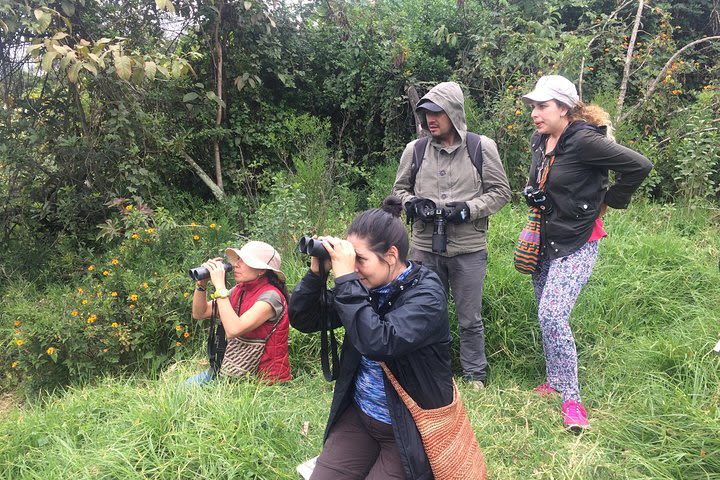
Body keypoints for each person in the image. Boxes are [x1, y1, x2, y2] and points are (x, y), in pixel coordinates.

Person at [520, 75, 652, 432]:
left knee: (551, 315)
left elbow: (639, 166)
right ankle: (553, 380)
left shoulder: (585, 141)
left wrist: (607, 202)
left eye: (542, 105)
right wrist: (533, 191)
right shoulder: (542, 139)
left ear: (564, 108)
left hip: (577, 240)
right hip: (545, 238)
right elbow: (548, 179)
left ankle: (572, 400)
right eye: (533, 105)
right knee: (545, 312)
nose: (535, 112)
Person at [289, 196, 453, 479]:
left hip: (409, 425)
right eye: (351, 260)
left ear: (390, 256)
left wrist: (346, 281)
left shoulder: (427, 294)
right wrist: (317, 273)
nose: (353, 269)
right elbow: (305, 319)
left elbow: (380, 342)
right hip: (361, 415)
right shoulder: (364, 286)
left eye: (360, 260)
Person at [393, 81, 511, 388]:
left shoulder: (480, 147)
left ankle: (475, 375)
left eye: (437, 112)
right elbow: (399, 190)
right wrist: (413, 205)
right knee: (423, 313)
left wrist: (468, 209)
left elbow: (501, 192)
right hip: (423, 247)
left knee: (469, 317)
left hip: (469, 248)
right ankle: (431, 372)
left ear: (454, 113)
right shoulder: (415, 150)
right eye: (425, 113)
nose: (430, 119)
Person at [186, 240, 291, 385]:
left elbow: (233, 330)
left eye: (244, 261)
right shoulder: (240, 290)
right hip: (235, 370)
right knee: (180, 390)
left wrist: (219, 286)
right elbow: (200, 313)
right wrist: (201, 284)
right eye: (238, 259)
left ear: (261, 270)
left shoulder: (271, 297)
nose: (236, 264)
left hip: (263, 381)